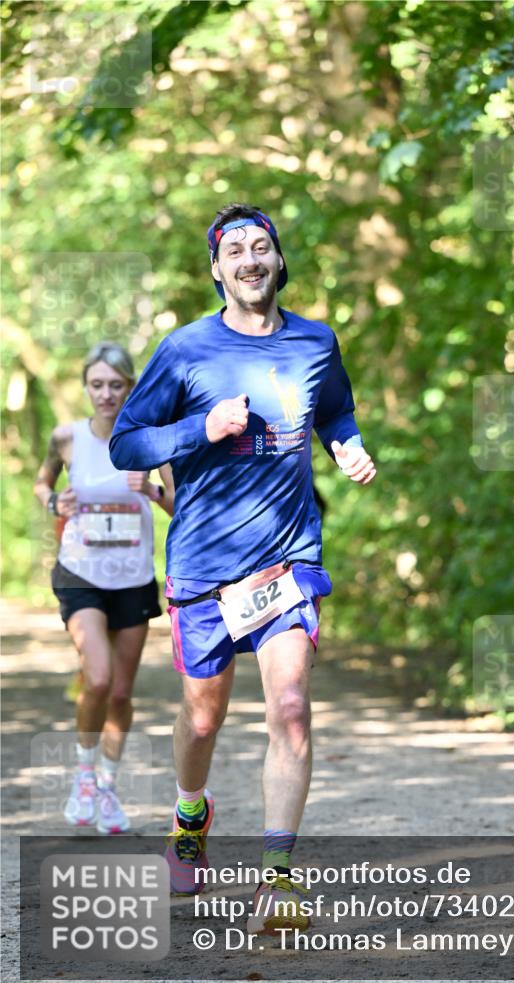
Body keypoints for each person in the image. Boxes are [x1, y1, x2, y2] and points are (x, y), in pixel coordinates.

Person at [109, 204, 375, 931]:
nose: (251, 259)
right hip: (203, 567)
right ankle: (190, 814)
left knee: (289, 708)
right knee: (203, 718)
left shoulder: (315, 342)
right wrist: (202, 427)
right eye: (236, 251)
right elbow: (127, 446)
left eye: (263, 248)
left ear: (279, 262)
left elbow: (335, 411)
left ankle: (277, 880)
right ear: (217, 269)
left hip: (287, 561)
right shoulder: (185, 349)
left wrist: (345, 447)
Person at [34, 342, 175, 834]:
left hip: (133, 580)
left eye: (116, 385)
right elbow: (42, 484)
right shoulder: (66, 437)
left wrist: (153, 491)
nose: (106, 393)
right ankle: (84, 777)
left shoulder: (152, 441)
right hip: (80, 574)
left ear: (131, 387)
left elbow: (180, 506)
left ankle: (109, 788)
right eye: (97, 384)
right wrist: (55, 502)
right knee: (96, 677)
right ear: (86, 387)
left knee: (119, 692)